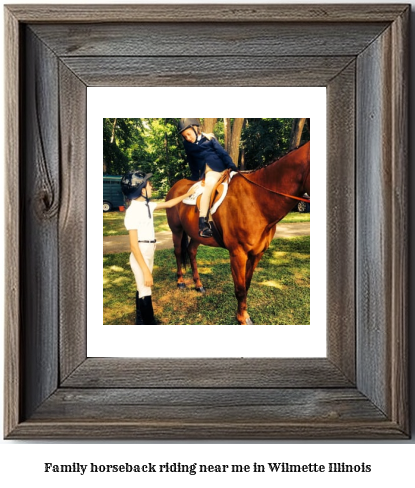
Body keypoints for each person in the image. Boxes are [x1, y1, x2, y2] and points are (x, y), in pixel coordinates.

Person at [121, 170, 195, 325]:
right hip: (140, 253)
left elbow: (169, 203)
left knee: (142, 287)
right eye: (148, 184)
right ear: (142, 190)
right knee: (145, 289)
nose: (151, 186)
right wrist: (146, 271)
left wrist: (188, 194)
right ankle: (149, 323)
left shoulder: (146, 205)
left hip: (148, 251)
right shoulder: (133, 211)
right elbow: (134, 246)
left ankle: (140, 320)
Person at [178, 118, 238, 237]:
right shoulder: (188, 145)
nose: (188, 138)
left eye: (189, 134)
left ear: (195, 128)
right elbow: (192, 162)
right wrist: (195, 177)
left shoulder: (209, 138)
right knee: (209, 187)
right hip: (211, 171)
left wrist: (232, 167)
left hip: (224, 167)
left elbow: (222, 153)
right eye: (185, 137)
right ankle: (203, 223)